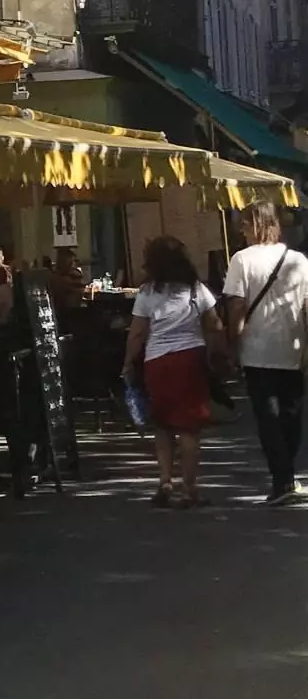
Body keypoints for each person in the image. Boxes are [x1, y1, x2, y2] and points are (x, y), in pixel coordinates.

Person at [124, 235, 225, 508]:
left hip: (157, 363)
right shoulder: (196, 289)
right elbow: (215, 325)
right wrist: (220, 353)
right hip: (190, 360)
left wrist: (127, 364)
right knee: (190, 429)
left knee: (162, 425)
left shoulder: (147, 293)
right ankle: (189, 489)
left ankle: (165, 480)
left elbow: (137, 333)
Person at [221, 202, 308, 506]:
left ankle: (282, 478)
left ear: (255, 225)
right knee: (292, 415)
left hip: (256, 350)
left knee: (269, 417)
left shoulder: (241, 260)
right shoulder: (298, 260)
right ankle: (286, 476)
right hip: (293, 348)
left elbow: (236, 307)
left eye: (244, 225)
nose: (241, 231)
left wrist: (232, 343)